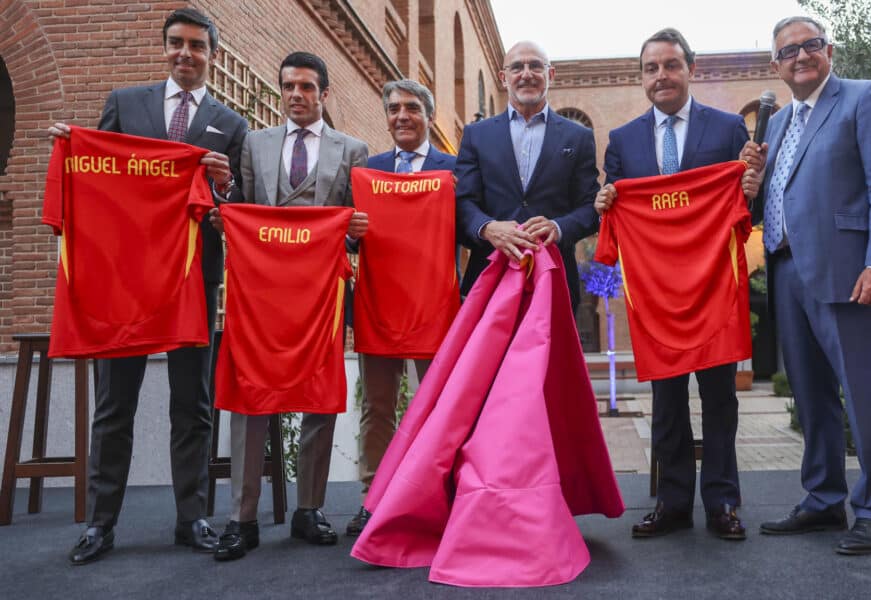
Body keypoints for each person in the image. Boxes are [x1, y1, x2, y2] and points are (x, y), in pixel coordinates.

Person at [48, 7, 247, 565]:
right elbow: (94, 176)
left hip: (191, 278)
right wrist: (70, 148)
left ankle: (193, 517)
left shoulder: (229, 124)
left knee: (194, 404)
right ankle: (101, 524)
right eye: (177, 44)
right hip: (125, 282)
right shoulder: (124, 103)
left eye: (197, 46)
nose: (186, 54)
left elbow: (233, 211)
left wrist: (224, 189)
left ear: (213, 55)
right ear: (164, 48)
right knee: (115, 405)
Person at [594, 28, 763, 542]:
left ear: (691, 69)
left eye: (671, 65)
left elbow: (744, 210)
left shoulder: (729, 128)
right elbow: (616, 204)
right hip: (656, 298)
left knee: (719, 402)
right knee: (666, 403)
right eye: (651, 68)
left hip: (713, 292)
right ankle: (670, 503)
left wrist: (751, 188)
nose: (661, 76)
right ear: (641, 76)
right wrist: (606, 203)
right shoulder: (622, 142)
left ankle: (723, 503)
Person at [753, 16, 871, 555]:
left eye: (811, 45)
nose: (801, 56)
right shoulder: (776, 124)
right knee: (811, 397)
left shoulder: (866, 99)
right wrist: (754, 185)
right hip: (788, 269)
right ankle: (823, 501)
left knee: (866, 395)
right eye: (789, 51)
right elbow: (782, 197)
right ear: (776, 65)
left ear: (829, 50)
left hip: (851, 272)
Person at [211, 51, 369, 561]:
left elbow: (355, 237)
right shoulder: (255, 144)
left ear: (324, 93)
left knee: (320, 396)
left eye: (306, 87)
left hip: (322, 296)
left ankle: (309, 509)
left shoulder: (353, 149)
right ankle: (242, 516)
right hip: (262, 295)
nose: (296, 95)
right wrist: (227, 218)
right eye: (288, 87)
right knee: (250, 394)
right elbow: (247, 213)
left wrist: (354, 235)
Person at [345, 79, 457, 538]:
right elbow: (349, 238)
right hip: (378, 307)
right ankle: (375, 500)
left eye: (412, 108)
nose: (402, 116)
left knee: (442, 409)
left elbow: (468, 227)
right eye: (393, 109)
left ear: (428, 116)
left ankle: (442, 496)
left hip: (436, 308)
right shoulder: (367, 170)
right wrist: (350, 231)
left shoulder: (454, 169)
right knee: (378, 408)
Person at [455, 41, 600, 314]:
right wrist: (487, 227)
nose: (526, 73)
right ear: (503, 77)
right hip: (489, 276)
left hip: (554, 277)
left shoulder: (577, 137)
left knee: (551, 358)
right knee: (489, 358)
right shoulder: (476, 134)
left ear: (551, 75)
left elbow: (590, 208)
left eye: (535, 66)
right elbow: (462, 202)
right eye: (517, 67)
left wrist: (558, 228)